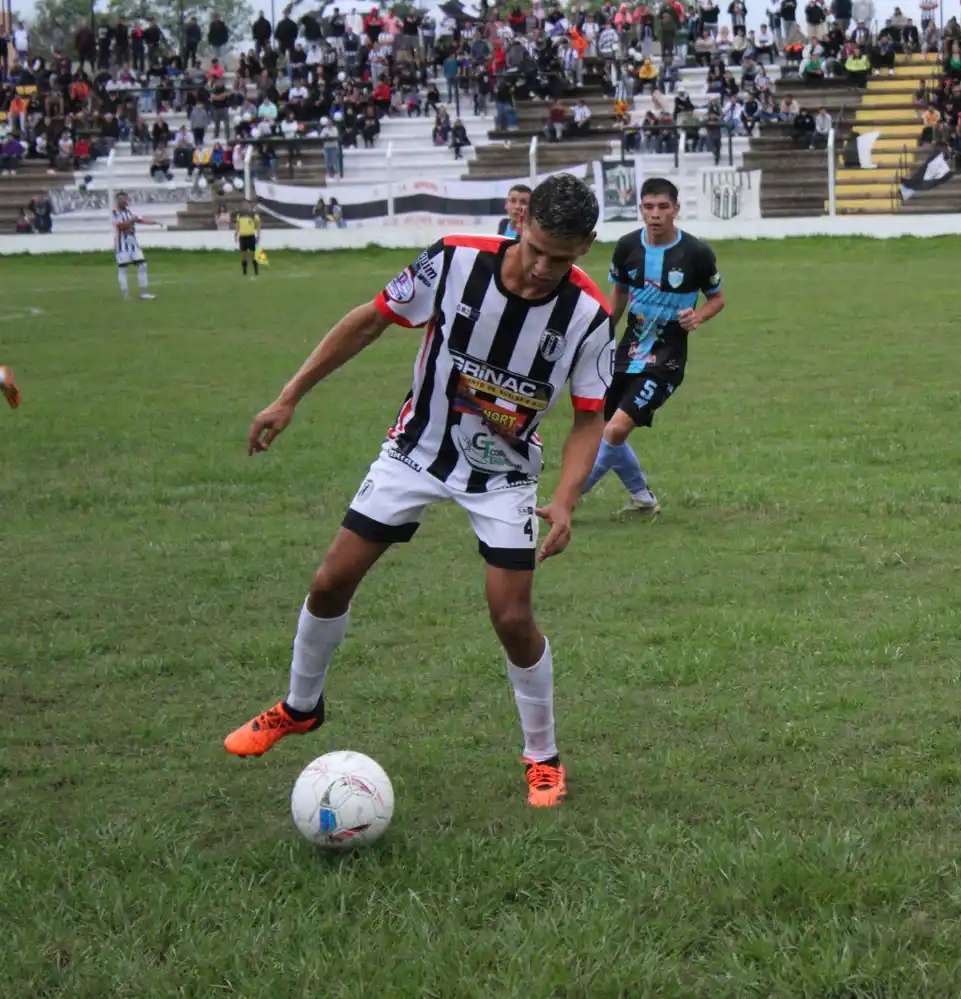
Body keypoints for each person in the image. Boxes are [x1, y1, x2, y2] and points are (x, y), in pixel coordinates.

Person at [223, 174, 614, 810]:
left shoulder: (589, 315)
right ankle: (299, 707)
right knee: (329, 582)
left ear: (587, 247)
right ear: (519, 222)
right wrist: (289, 395)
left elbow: (590, 417)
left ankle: (542, 757)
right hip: (417, 452)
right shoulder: (455, 258)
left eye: (561, 258)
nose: (544, 267)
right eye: (536, 247)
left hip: (504, 474)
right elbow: (368, 322)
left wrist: (566, 499)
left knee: (512, 617)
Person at [581, 177, 725, 516]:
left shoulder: (697, 252)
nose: (655, 214)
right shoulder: (627, 246)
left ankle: (567, 499)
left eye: (663, 207)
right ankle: (644, 501)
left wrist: (699, 317)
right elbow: (617, 296)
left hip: (666, 360)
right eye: (648, 207)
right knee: (608, 431)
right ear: (640, 209)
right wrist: (600, 338)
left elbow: (717, 299)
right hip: (627, 352)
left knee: (615, 429)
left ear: (676, 209)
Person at [112, 192, 157, 301]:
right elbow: (121, 226)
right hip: (122, 245)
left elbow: (139, 220)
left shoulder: (129, 212)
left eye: (124, 199)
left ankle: (144, 293)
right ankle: (125, 294)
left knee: (143, 265)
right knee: (123, 269)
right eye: (120, 199)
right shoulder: (114, 212)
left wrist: (155, 222)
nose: (123, 201)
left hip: (133, 244)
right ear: (117, 200)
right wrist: (132, 220)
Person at [236, 200, 262, 277]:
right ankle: (244, 272)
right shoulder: (240, 215)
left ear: (249, 205)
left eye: (246, 204)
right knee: (243, 255)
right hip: (242, 236)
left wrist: (258, 234)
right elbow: (238, 225)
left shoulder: (253, 214)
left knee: (252, 255)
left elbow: (258, 224)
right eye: (243, 204)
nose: (245, 206)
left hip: (250, 236)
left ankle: (256, 271)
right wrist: (236, 233)